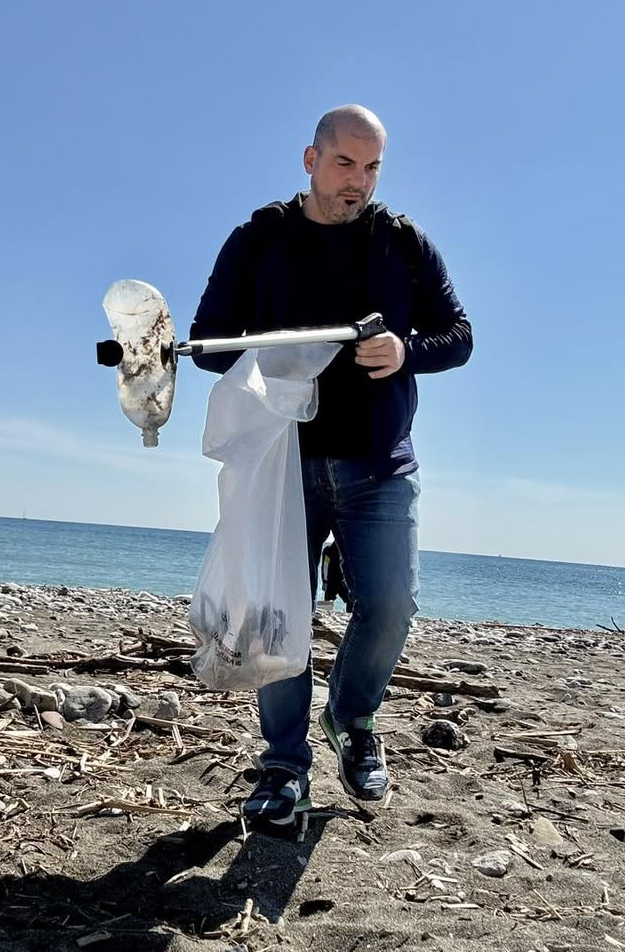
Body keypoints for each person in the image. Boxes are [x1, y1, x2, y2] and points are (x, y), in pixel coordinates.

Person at [190, 104, 472, 829]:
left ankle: (351, 717)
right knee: (280, 615)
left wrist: (408, 350)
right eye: (346, 163)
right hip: (285, 462)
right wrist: (276, 346)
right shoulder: (261, 238)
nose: (359, 182)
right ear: (310, 160)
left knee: (391, 603)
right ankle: (284, 768)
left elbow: (459, 334)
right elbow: (208, 342)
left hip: (380, 463)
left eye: (372, 167)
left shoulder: (401, 242)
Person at [320, 537, 350, 607]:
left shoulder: (345, 549)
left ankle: (351, 615)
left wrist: (348, 580)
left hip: (342, 580)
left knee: (350, 600)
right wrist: (325, 581)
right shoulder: (328, 550)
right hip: (331, 580)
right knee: (327, 603)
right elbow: (325, 566)